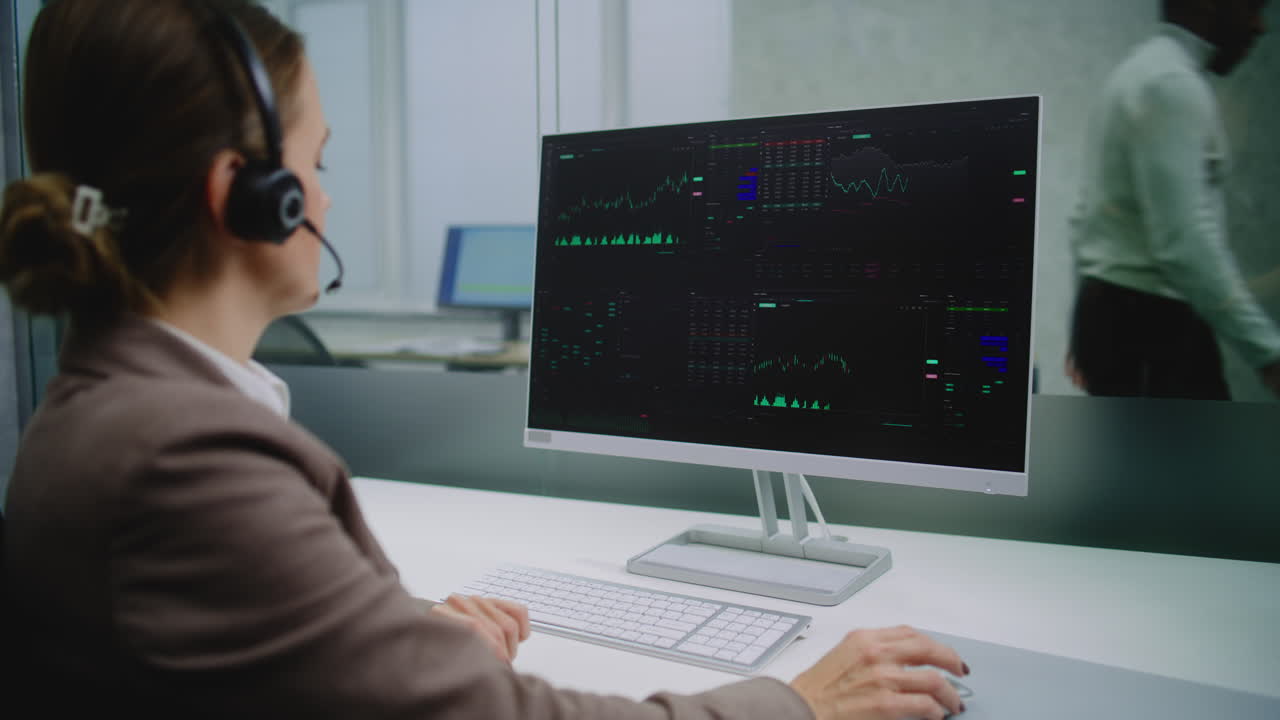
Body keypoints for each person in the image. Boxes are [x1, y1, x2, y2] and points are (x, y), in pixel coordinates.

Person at [0, 1, 969, 718]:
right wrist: (797, 702)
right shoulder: (180, 461)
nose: (327, 200)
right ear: (251, 197)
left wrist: (390, 636)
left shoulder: (102, 408)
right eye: (318, 164)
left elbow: (233, 626)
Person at [1065, 0, 1280, 400]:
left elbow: (1083, 216)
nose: (1260, 26)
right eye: (1251, 7)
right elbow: (1183, 242)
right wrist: (1267, 352)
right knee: (1188, 460)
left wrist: (1083, 321)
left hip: (1117, 314)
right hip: (1151, 325)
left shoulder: (1134, 74)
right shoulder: (1171, 84)